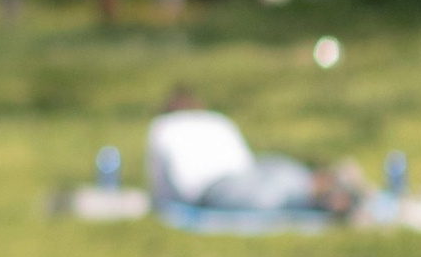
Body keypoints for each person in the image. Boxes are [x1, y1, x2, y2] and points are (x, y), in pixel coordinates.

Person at [144, 85, 365, 219]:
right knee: (282, 175)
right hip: (243, 173)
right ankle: (327, 182)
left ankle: (326, 192)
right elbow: (243, 157)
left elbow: (162, 185)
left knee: (271, 194)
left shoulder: (162, 127)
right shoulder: (217, 119)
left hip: (214, 189)